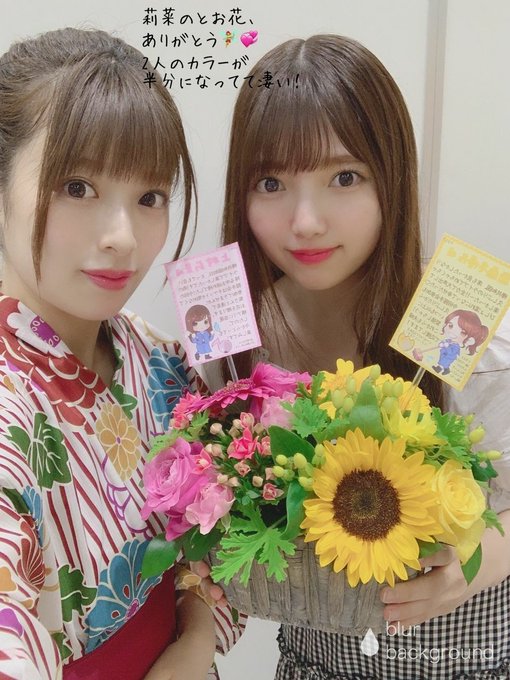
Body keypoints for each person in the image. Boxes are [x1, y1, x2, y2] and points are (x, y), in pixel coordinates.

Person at [218, 34, 510, 679]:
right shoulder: (239, 338)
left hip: (467, 659)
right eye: (271, 182)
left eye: (344, 178)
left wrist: (475, 565)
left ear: (392, 177)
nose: (306, 222)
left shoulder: (462, 324)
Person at [0, 27, 244, 679]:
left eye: (149, 197)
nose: (123, 238)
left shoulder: (160, 360)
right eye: (77, 187)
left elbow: (217, 550)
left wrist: (195, 637)